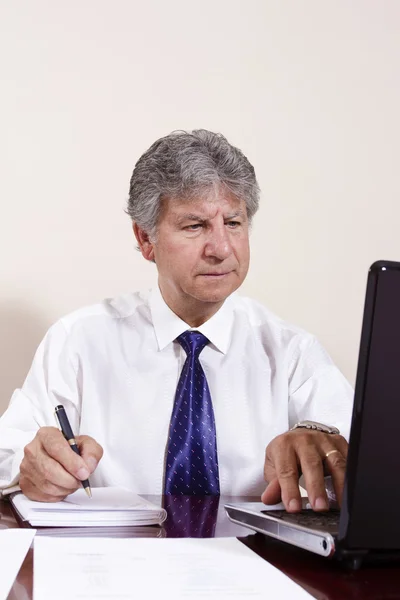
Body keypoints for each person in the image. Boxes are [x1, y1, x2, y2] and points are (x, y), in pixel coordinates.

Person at [0, 130, 352, 512]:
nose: (220, 249)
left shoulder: (291, 351)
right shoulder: (78, 341)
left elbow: (363, 456)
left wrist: (321, 443)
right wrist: (28, 467)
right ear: (145, 238)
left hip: (251, 562)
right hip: (115, 562)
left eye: (233, 223)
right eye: (195, 226)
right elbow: (10, 452)